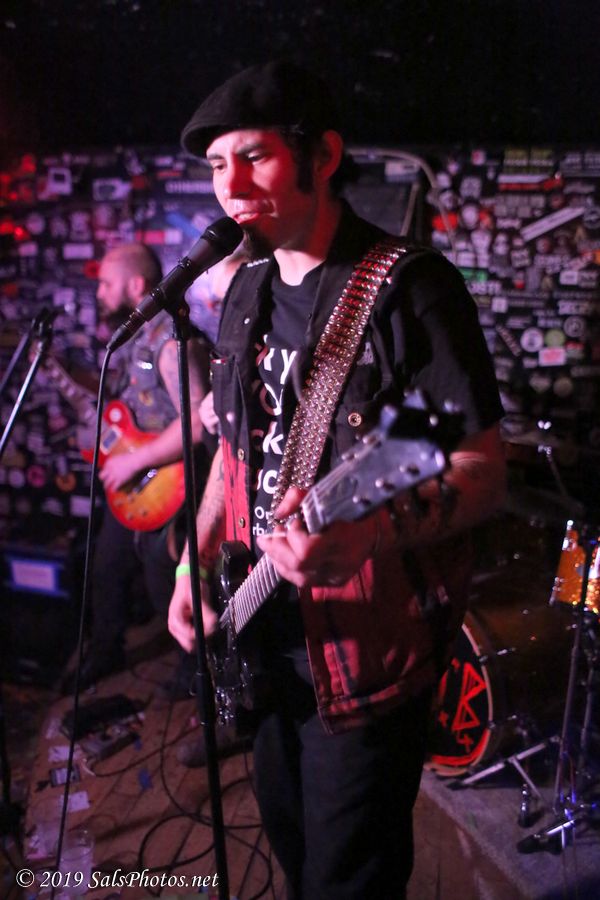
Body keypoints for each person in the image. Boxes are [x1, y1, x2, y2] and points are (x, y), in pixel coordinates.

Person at [168, 60, 506, 899]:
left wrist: (370, 532)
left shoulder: (409, 291)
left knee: (349, 881)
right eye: (217, 166)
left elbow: (479, 469)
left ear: (322, 156)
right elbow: (235, 458)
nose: (231, 187)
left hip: (362, 656)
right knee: (292, 853)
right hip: (259, 632)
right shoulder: (244, 289)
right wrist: (191, 561)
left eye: (254, 157)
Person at [63, 242, 212, 693]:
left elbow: (197, 423)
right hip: (137, 480)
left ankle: (194, 669)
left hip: (173, 480)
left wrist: (135, 460)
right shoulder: (136, 336)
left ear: (136, 284)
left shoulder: (172, 341)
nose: (99, 293)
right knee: (106, 566)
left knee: (163, 573)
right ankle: (105, 651)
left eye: (106, 284)